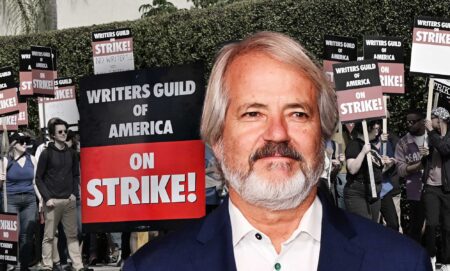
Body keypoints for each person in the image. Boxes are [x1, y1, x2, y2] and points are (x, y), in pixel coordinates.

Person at [123, 31, 431, 271]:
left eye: (298, 113)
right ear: (217, 138)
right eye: (253, 114)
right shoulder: (153, 266)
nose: (277, 134)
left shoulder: (401, 263)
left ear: (321, 134)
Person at [35, 118, 84, 271]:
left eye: (65, 131)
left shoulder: (71, 154)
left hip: (69, 201)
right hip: (52, 201)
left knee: (72, 235)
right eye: (60, 132)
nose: (64, 134)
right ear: (53, 135)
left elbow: (76, 175)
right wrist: (47, 198)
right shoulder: (46, 154)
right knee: (49, 237)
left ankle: (78, 265)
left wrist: (74, 194)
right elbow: (38, 178)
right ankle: (47, 265)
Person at [344, 121, 395, 222]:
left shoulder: (372, 147)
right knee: (364, 226)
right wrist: (363, 152)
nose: (378, 132)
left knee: (372, 227)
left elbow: (376, 172)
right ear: (367, 128)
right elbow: (352, 169)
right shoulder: (355, 144)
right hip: (358, 192)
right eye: (375, 129)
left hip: (374, 192)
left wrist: (388, 165)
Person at [5, 132, 39, 271]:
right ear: (13, 144)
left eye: (26, 141)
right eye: (21, 141)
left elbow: (35, 182)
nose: (25, 144)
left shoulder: (32, 159)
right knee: (12, 234)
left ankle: (24, 266)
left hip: (30, 199)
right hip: (11, 199)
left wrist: (41, 200)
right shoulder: (6, 161)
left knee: (27, 234)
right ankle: (10, 265)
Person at [395, 109, 428, 243]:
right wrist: (419, 165)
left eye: (413, 122)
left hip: (436, 188)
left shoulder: (432, 138)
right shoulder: (403, 143)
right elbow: (400, 170)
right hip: (415, 190)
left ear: (422, 122)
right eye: (407, 122)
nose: (409, 124)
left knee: (435, 224)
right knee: (416, 225)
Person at [424, 107, 450, 270]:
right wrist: (425, 154)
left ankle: (447, 261)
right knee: (432, 224)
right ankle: (431, 257)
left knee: (448, 227)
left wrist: (431, 133)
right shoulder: (430, 137)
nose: (428, 121)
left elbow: (445, 149)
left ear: (439, 120)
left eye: (431, 118)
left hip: (447, 189)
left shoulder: (445, 137)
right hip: (431, 186)